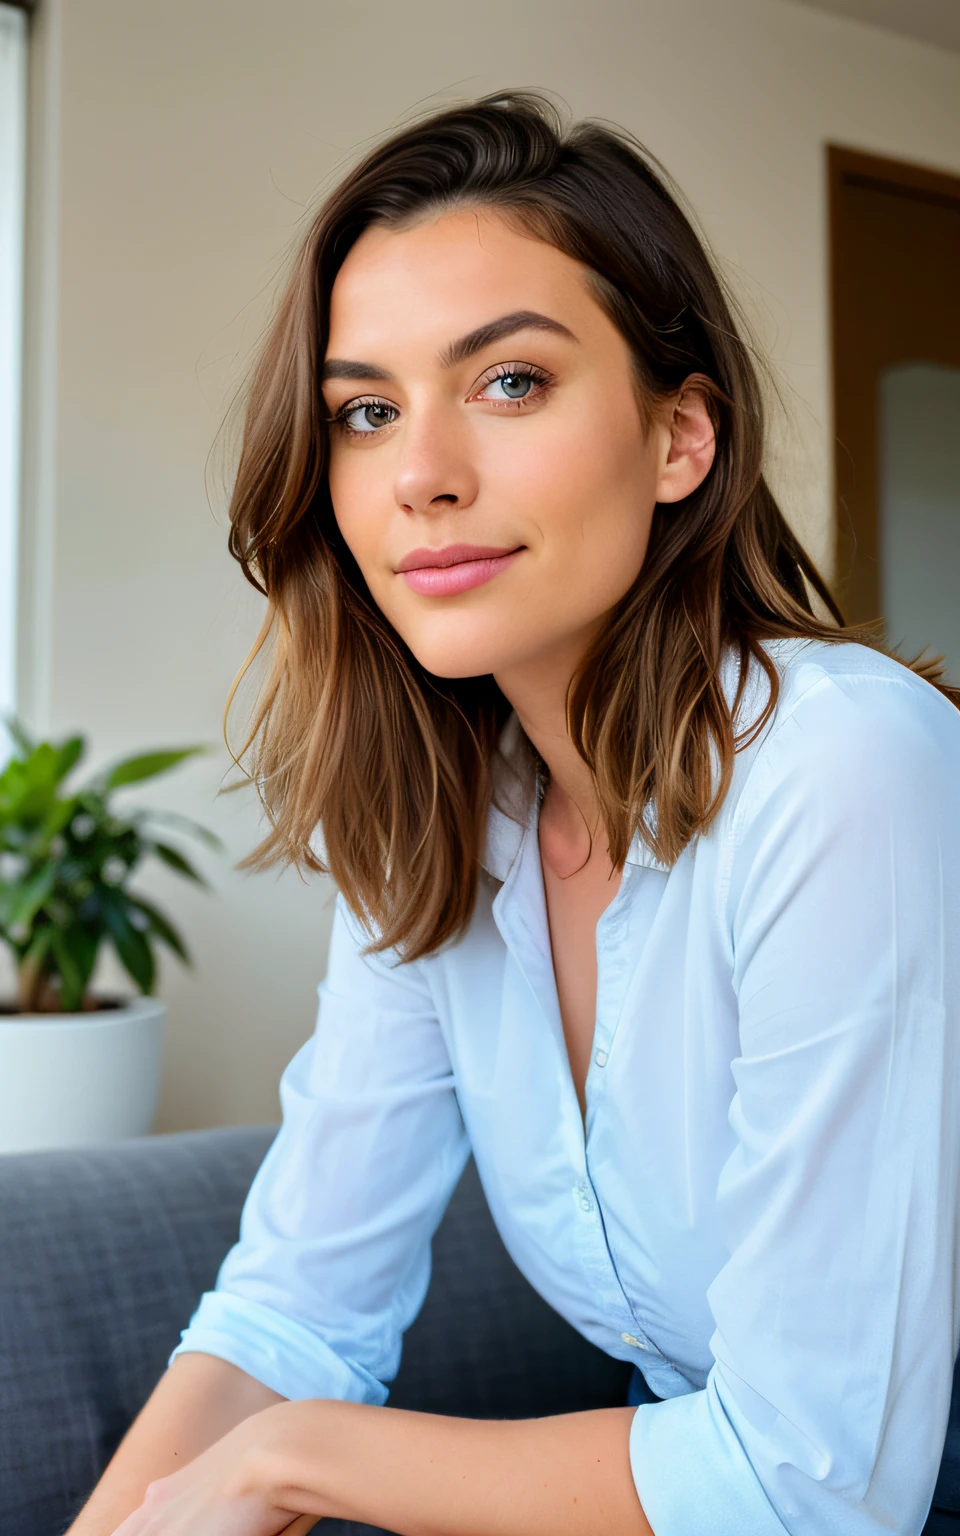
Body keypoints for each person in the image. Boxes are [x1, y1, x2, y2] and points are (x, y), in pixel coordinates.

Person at [70, 90, 960, 1536]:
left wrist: (295, 1459)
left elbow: (816, 1485)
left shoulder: (843, 769)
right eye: (365, 411)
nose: (420, 474)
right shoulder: (439, 824)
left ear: (681, 441)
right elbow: (295, 1308)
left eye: (510, 383)